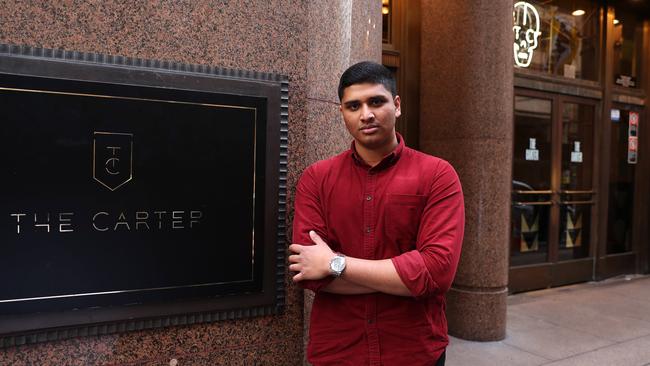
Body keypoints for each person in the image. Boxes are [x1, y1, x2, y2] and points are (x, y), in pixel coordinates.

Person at [289, 61, 464, 366]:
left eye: (376, 101)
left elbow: (436, 273)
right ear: (342, 112)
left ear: (396, 106)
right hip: (339, 351)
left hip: (414, 351)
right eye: (353, 105)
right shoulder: (316, 179)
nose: (366, 114)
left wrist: (334, 263)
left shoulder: (438, 175)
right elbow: (309, 273)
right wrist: (405, 279)